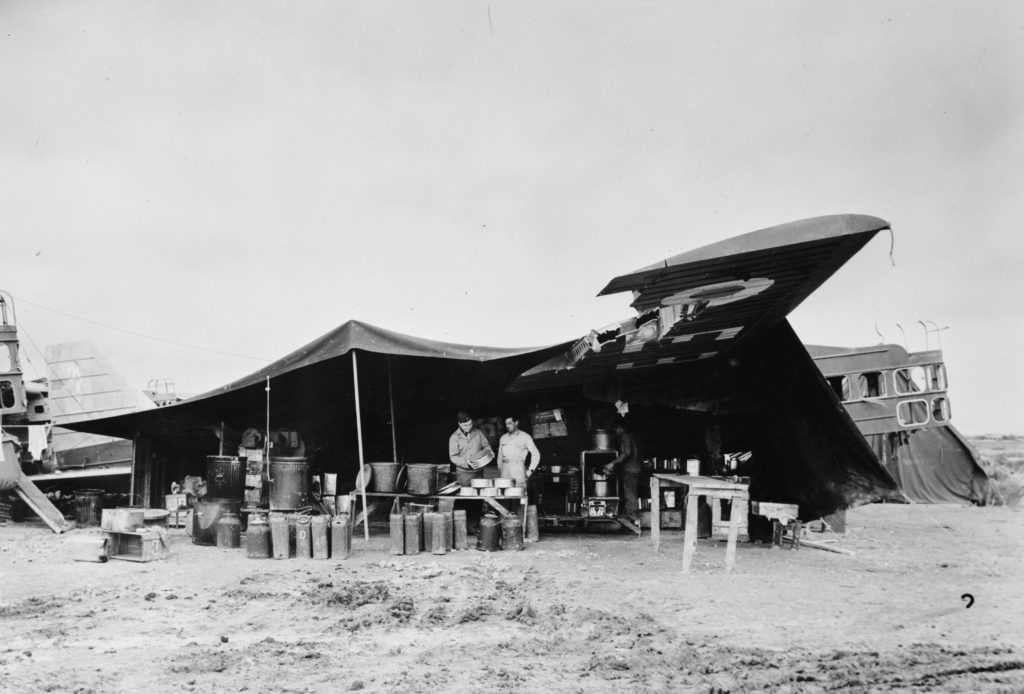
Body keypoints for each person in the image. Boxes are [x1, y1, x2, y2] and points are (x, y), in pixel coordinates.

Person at [602, 419, 641, 524]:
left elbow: (626, 454)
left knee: (630, 493)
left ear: (621, 427)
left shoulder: (626, 436)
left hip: (630, 469)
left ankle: (634, 517)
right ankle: (631, 515)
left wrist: (612, 463)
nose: (616, 431)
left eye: (616, 429)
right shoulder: (631, 436)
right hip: (634, 468)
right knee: (630, 492)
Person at [448, 411, 494, 486]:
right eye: (466, 425)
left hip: (478, 472)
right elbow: (453, 457)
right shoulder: (454, 438)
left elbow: (487, 446)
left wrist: (490, 452)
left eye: (470, 424)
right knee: (465, 495)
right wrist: (466, 462)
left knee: (479, 494)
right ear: (459, 424)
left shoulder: (478, 433)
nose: (469, 427)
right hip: (463, 474)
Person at [496, 415, 541, 486]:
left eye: (510, 423)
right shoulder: (503, 438)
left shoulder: (525, 437)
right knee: (505, 494)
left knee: (519, 493)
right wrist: (501, 470)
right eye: (506, 424)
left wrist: (530, 470)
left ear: (516, 423)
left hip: (518, 472)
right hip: (505, 473)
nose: (507, 426)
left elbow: (536, 454)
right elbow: (499, 456)